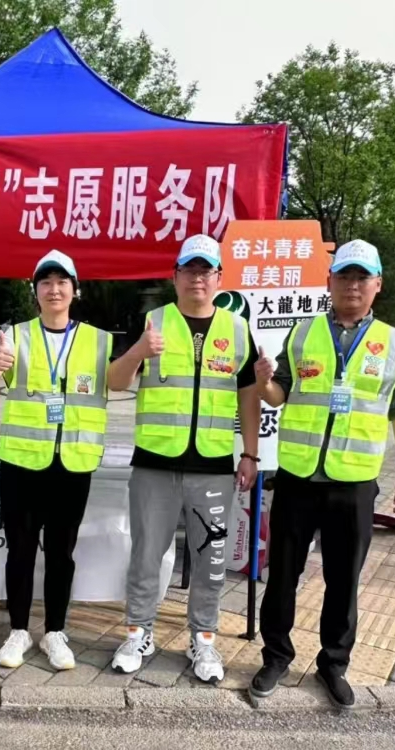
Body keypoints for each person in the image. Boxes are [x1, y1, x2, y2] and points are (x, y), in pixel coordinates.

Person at [250, 239, 395, 708]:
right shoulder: (303, 333)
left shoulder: (393, 342)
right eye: (344, 276)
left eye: (362, 277)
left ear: (377, 284)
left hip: (355, 481)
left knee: (343, 580)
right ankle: (276, 657)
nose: (352, 285)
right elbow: (279, 394)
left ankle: (333, 664)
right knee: (282, 575)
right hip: (299, 478)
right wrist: (263, 381)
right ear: (329, 282)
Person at [106, 234, 261, 684]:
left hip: (213, 468)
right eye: (189, 269)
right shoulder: (153, 321)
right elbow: (115, 381)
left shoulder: (237, 330)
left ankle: (204, 639)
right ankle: (138, 633)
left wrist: (250, 453)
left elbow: (249, 396)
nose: (197, 277)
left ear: (219, 278)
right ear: (175, 277)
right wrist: (139, 351)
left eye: (205, 270)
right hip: (154, 464)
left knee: (211, 559)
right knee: (146, 556)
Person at [0, 250, 115, 671]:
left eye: (62, 282)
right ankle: (18, 629)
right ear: (35, 291)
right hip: (21, 463)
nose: (54, 290)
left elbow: (120, 380)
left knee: (62, 552)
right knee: (19, 550)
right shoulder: (15, 335)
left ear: (75, 289)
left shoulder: (99, 340)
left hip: (73, 462)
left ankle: (55, 631)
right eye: (45, 282)